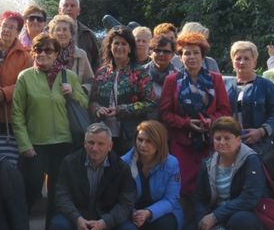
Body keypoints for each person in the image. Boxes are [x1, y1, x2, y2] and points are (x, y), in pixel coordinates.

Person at [11, 33, 88, 230]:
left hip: (63, 144)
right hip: (36, 144)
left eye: (49, 51)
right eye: (39, 50)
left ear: (56, 54)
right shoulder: (25, 77)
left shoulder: (68, 76)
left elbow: (85, 104)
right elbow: (17, 114)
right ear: (33, 52)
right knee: (30, 192)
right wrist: (25, 145)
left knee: (58, 194)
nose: (43, 54)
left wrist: (72, 93)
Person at [181, 117, 266, 230]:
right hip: (217, 216)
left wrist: (215, 216)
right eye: (218, 138)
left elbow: (249, 197)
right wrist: (203, 222)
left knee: (241, 221)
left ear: (237, 139)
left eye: (227, 138)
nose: (222, 142)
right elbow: (199, 198)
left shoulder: (251, 160)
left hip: (242, 214)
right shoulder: (208, 163)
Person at [49, 123, 139, 230]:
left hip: (106, 218)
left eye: (100, 144)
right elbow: (61, 195)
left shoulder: (121, 167)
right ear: (84, 143)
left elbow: (126, 203)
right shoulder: (69, 163)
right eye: (91, 142)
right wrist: (77, 218)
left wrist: (104, 223)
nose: (95, 148)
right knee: (57, 226)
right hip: (79, 217)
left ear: (110, 146)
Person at [160, 32, 231, 198]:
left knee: (210, 185)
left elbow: (225, 110)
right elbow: (164, 113)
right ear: (180, 57)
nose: (191, 57)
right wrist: (185, 123)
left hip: (210, 142)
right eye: (187, 53)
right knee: (183, 186)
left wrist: (210, 121)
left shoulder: (216, 79)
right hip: (182, 142)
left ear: (203, 56)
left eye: (195, 53)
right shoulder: (172, 81)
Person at [121, 121, 183, 230]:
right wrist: (133, 213)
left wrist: (149, 213)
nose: (142, 145)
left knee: (164, 228)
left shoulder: (171, 163)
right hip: (133, 212)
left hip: (162, 212)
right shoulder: (124, 162)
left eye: (149, 141)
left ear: (159, 143)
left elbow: (171, 199)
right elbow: (120, 196)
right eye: (140, 140)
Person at [90, 26, 155, 155]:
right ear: (110, 47)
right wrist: (98, 109)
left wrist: (121, 109)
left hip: (130, 133)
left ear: (130, 48)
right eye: (116, 43)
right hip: (103, 133)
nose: (119, 47)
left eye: (124, 44)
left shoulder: (139, 72)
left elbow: (150, 103)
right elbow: (92, 101)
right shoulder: (101, 73)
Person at [0, 11, 32, 159]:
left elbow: (26, 84)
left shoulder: (26, 56)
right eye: (4, 25)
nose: (6, 30)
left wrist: (5, 93)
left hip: (10, 115)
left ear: (18, 32)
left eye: (11, 27)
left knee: (6, 159)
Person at [223, 41, 274, 159]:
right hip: (230, 145)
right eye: (238, 58)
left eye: (247, 58)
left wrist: (261, 131)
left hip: (261, 146)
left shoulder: (266, 86)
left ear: (254, 62)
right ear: (232, 62)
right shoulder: (225, 86)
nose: (242, 62)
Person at [47, 14, 94, 94]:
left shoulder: (81, 54)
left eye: (65, 30)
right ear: (52, 34)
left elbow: (91, 82)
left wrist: (76, 90)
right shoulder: (44, 53)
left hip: (73, 102)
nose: (61, 33)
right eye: (58, 30)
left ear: (71, 34)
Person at [58, 0, 99, 68]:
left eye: (72, 6)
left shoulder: (88, 34)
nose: (69, 8)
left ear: (78, 11)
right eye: (65, 5)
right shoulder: (48, 33)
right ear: (59, 10)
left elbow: (96, 62)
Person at [145, 34, 177, 99]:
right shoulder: (140, 73)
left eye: (166, 51)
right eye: (157, 50)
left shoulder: (178, 77)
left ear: (173, 55)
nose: (161, 54)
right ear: (150, 52)